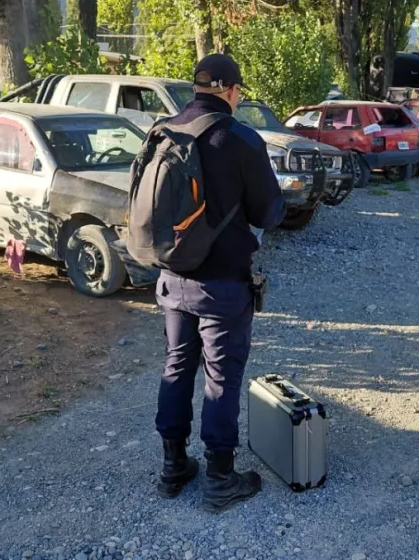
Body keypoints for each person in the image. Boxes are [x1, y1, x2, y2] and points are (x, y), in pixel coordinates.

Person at [153, 53, 286, 512]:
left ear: (197, 89)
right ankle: (220, 480)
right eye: (239, 92)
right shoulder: (243, 140)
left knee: (176, 367)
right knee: (221, 380)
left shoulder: (164, 131)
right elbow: (268, 213)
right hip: (222, 288)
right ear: (231, 90)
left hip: (171, 278)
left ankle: (173, 467)